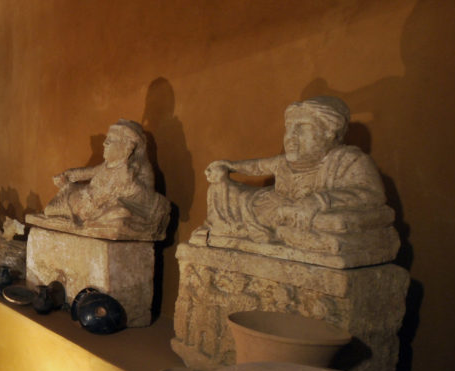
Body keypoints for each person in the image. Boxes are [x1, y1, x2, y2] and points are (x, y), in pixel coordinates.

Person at [197, 96, 396, 264]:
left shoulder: (348, 160)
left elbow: (372, 195)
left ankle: (289, 233)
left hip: (311, 213)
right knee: (221, 190)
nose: (291, 136)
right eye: (288, 128)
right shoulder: (284, 162)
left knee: (334, 222)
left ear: (329, 132)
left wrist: (318, 201)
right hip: (276, 206)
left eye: (301, 128)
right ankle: (265, 230)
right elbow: (257, 166)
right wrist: (229, 166)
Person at [36, 120, 169, 240]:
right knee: (50, 210)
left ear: (128, 147)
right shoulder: (106, 166)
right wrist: (66, 176)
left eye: (111, 140)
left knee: (119, 215)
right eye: (106, 139)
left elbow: (148, 200)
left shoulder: (138, 170)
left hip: (102, 207)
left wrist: (131, 184)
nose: (105, 143)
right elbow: (85, 173)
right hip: (78, 199)